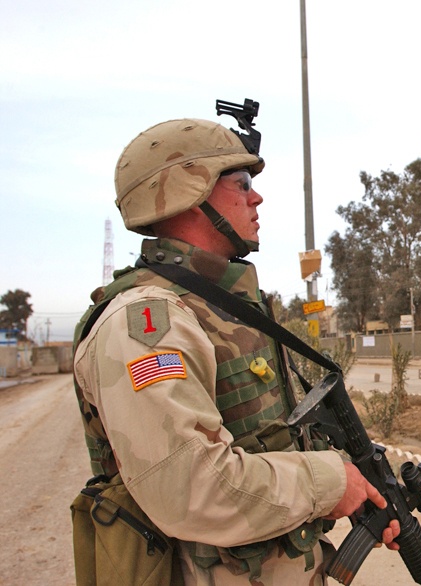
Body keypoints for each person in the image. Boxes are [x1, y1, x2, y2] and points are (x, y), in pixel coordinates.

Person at [72, 107, 399, 585]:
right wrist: (330, 482)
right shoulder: (148, 323)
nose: (257, 197)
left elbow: (270, 439)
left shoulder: (224, 306)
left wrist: (355, 484)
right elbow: (190, 487)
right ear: (190, 191)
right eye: (242, 182)